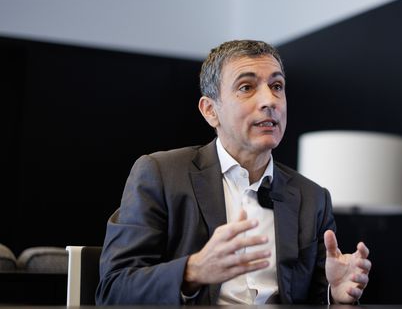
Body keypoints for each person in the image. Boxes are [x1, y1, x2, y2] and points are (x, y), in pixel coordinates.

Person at [96, 39, 371, 305]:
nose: (269, 100)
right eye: (246, 87)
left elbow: (315, 297)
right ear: (210, 111)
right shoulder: (161, 174)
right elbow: (113, 290)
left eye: (276, 86)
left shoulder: (312, 197)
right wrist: (193, 271)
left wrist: (335, 295)